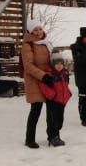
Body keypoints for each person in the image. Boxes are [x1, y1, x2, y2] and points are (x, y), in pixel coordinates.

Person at [21, 19, 64, 149]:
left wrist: (58, 67)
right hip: (35, 80)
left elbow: (52, 60)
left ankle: (53, 137)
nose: (38, 32)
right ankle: (30, 139)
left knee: (52, 110)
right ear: (30, 31)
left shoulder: (47, 44)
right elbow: (28, 66)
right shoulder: (27, 45)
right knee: (36, 109)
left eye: (40, 29)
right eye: (35, 30)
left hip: (48, 80)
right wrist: (43, 76)